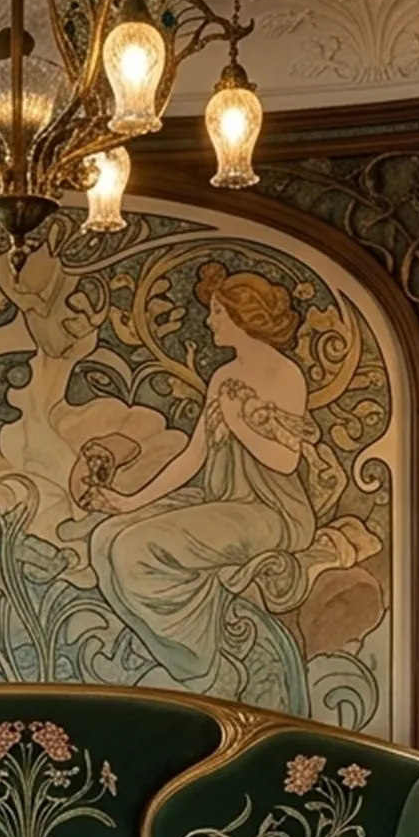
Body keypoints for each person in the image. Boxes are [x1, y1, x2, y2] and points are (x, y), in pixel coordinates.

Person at [83, 262, 329, 709]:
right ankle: (182, 657)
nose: (211, 319)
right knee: (104, 540)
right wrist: (128, 501)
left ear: (242, 316)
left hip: (271, 513)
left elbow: (285, 459)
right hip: (223, 500)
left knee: (135, 550)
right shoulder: (222, 377)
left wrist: (238, 422)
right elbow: (194, 457)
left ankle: (203, 669)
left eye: (217, 312)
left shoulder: (283, 376)